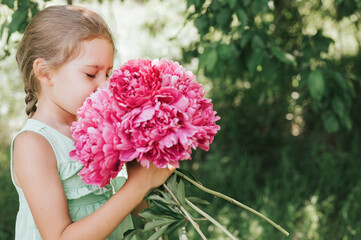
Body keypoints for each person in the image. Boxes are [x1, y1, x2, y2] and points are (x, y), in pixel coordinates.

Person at [10, 5, 174, 240]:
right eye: (90, 74)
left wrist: (149, 163)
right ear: (45, 73)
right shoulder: (34, 145)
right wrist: (138, 185)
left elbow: (128, 209)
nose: (105, 86)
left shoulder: (102, 131)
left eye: (107, 73)